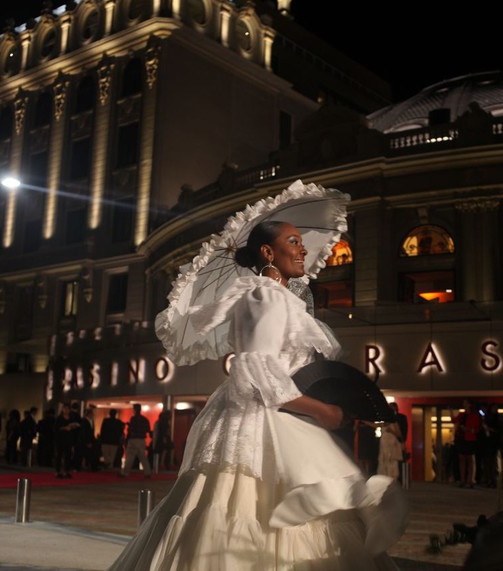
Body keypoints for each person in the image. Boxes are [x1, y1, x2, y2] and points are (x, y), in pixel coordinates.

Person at [108, 200, 406, 569]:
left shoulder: (273, 296)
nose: (303, 250)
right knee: (251, 512)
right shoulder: (264, 295)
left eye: (302, 243)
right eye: (293, 242)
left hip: (279, 415)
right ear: (268, 251)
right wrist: (321, 409)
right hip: (259, 420)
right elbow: (254, 368)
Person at [120, 403, 151, 478]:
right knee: (143, 457)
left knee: (130, 457)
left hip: (133, 439)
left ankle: (125, 472)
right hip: (141, 439)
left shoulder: (133, 419)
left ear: (134, 410)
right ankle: (147, 472)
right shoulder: (144, 419)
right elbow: (148, 429)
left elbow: (131, 429)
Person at [456, 400, 481, 488]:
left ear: (470, 404)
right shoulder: (462, 414)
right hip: (462, 438)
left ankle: (470, 480)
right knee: (462, 459)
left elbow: (477, 428)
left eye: (466, 403)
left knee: (470, 459)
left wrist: (468, 429)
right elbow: (455, 420)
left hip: (470, 438)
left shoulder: (475, 415)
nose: (464, 405)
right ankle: (463, 480)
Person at [54, 402, 78, 479]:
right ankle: (58, 472)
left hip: (69, 440)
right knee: (59, 456)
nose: (66, 410)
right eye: (65, 409)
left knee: (68, 456)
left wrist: (74, 427)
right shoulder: (59, 418)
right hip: (60, 440)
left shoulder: (72, 418)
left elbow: (75, 430)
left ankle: (66, 471)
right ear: (62, 409)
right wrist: (64, 428)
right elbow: (56, 429)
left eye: (68, 409)